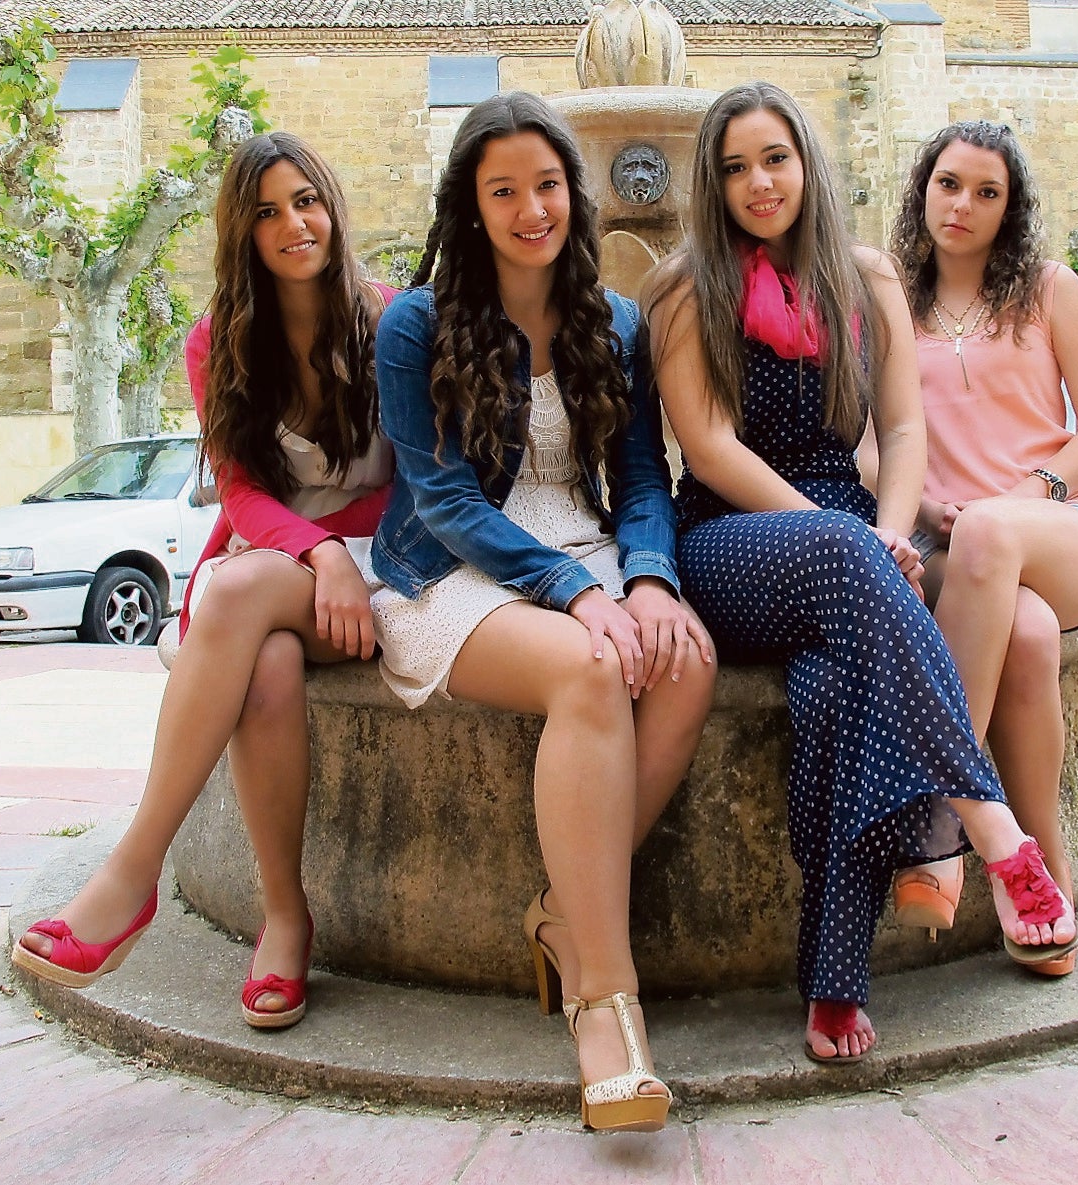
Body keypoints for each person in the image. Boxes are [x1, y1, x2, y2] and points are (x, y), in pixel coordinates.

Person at [642, 81, 1072, 1066]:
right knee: (840, 551)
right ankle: (990, 830)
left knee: (838, 692)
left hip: (849, 539)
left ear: (808, 164)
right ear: (712, 184)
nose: (759, 181)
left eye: (775, 158)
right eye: (734, 167)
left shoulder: (867, 277)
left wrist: (886, 527)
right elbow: (705, 450)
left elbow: (904, 428)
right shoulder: (679, 287)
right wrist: (856, 539)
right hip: (729, 541)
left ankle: (834, 982)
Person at [366, 92, 714, 1133]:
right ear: (470, 205)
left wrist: (645, 579)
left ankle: (567, 914)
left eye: (548, 185)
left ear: (577, 190)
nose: (532, 209)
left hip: (583, 547)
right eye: (504, 190)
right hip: (451, 564)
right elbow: (442, 496)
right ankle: (607, 1009)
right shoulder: (415, 323)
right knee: (587, 669)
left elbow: (645, 479)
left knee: (685, 657)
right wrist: (573, 597)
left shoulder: (615, 319)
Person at [12, 133, 397, 1028]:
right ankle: (286, 920)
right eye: (266, 212)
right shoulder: (218, 340)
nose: (293, 224)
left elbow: (418, 479)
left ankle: (132, 873)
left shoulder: (390, 318)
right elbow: (242, 490)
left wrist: (334, 551)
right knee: (260, 664)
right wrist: (315, 552)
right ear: (243, 234)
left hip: (383, 562)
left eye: (306, 199)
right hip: (290, 567)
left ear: (332, 203)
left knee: (232, 595)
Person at [883, 120, 1078, 975]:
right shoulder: (888, 299)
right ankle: (1042, 877)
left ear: (1010, 207)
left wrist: (1028, 496)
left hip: (1064, 529)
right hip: (956, 543)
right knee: (1020, 634)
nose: (964, 205)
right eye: (950, 183)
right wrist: (926, 503)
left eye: (988, 192)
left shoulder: (1049, 288)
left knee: (997, 538)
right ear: (924, 188)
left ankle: (941, 827)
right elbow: (873, 439)